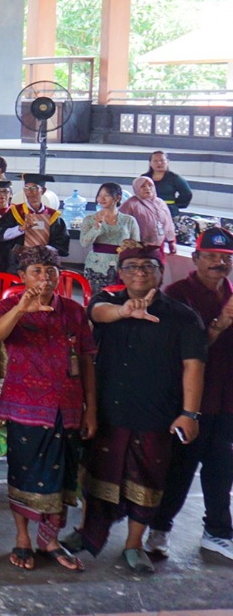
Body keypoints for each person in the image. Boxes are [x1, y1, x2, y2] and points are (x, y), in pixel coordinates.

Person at [67, 242, 207, 574]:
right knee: (96, 475)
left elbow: (194, 366)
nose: (140, 271)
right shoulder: (107, 302)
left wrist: (189, 413)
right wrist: (124, 311)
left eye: (148, 266)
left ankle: (133, 544)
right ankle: (87, 533)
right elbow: (95, 313)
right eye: (131, 266)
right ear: (120, 274)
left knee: (148, 479)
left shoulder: (183, 316)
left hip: (156, 413)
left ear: (161, 273)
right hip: (108, 411)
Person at [0, 244, 96, 572]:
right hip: (25, 407)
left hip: (69, 407)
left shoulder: (74, 311)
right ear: (22, 276)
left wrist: (92, 410)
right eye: (36, 272)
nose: (45, 278)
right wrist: (21, 309)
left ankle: (49, 538)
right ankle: (22, 538)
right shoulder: (8, 306)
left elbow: (87, 361)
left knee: (63, 478)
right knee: (24, 475)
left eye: (50, 272)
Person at [151, 226, 233, 562]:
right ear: (195, 258)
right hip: (188, 403)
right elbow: (179, 355)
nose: (218, 263)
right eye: (211, 256)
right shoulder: (176, 295)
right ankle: (159, 527)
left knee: (222, 469)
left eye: (225, 258)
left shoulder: (228, 293)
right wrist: (219, 324)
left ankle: (217, 532)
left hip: (227, 402)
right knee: (179, 469)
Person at [0, 174, 70, 273]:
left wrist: (42, 249)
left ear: (43, 191)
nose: (29, 192)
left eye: (34, 188)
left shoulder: (53, 216)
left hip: (44, 266)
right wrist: (21, 229)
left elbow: (62, 243)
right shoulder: (14, 212)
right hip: (16, 265)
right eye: (26, 188)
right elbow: (1, 235)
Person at [79, 182, 139, 288]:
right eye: (99, 195)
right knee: (97, 298)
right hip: (96, 265)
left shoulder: (129, 220)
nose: (102, 199)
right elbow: (84, 243)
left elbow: (136, 246)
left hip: (122, 264)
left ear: (118, 198)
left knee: (120, 298)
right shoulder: (89, 219)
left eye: (106, 195)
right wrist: (96, 226)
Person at [121, 175, 176, 254]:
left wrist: (171, 241)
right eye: (143, 186)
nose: (147, 188)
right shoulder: (130, 204)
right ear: (136, 189)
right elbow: (122, 225)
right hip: (137, 247)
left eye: (150, 185)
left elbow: (169, 223)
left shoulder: (160, 202)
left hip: (159, 244)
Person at [144, 151, 193, 218]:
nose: (159, 163)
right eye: (155, 161)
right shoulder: (144, 178)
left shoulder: (175, 178)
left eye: (162, 160)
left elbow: (187, 194)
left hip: (169, 212)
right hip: (148, 211)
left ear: (167, 162)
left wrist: (175, 204)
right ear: (150, 163)